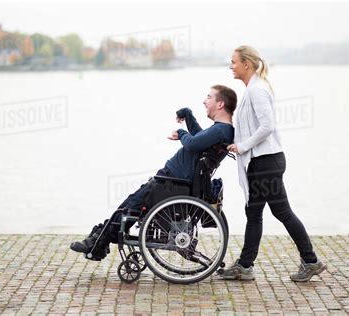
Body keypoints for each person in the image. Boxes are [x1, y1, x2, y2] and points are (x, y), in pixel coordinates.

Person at [70, 85, 237, 260]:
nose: (205, 100)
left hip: (172, 182)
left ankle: (98, 243)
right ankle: (98, 241)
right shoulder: (221, 129)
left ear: (220, 104)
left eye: (209, 97)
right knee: (130, 205)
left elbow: (193, 143)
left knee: (131, 206)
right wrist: (188, 115)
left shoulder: (221, 130)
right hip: (173, 179)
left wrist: (181, 132)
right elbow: (199, 137)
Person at [219, 45, 327, 282]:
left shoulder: (257, 90)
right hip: (262, 163)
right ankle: (245, 266)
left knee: (282, 212)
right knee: (254, 213)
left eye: (234, 62)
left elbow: (267, 127)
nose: (231, 66)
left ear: (246, 64)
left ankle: (311, 261)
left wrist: (243, 145)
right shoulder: (253, 88)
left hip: (266, 162)